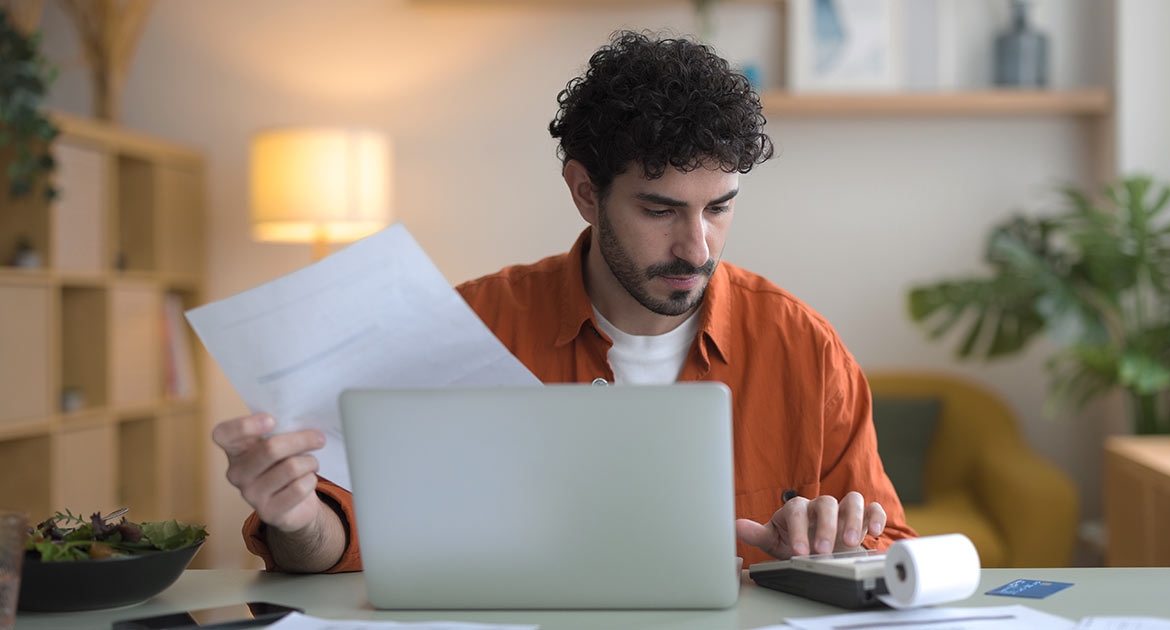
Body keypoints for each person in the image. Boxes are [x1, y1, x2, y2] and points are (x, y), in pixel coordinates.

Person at [213, 30, 917, 574]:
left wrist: (838, 545)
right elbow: (347, 543)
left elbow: (891, 550)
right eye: (661, 209)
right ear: (585, 192)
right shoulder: (468, 328)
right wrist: (300, 517)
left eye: (720, 208)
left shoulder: (804, 349)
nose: (697, 247)